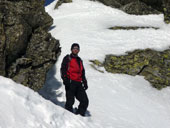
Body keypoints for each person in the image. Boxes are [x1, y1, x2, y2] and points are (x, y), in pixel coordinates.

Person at [60, 43, 89, 116]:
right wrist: (65, 79)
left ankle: (79, 115)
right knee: (70, 101)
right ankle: (68, 117)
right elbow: (63, 69)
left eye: (77, 49)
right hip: (70, 82)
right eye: (74, 48)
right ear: (71, 49)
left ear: (79, 50)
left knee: (85, 101)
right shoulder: (67, 58)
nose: (76, 50)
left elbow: (82, 72)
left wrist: (84, 82)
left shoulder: (79, 60)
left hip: (78, 83)